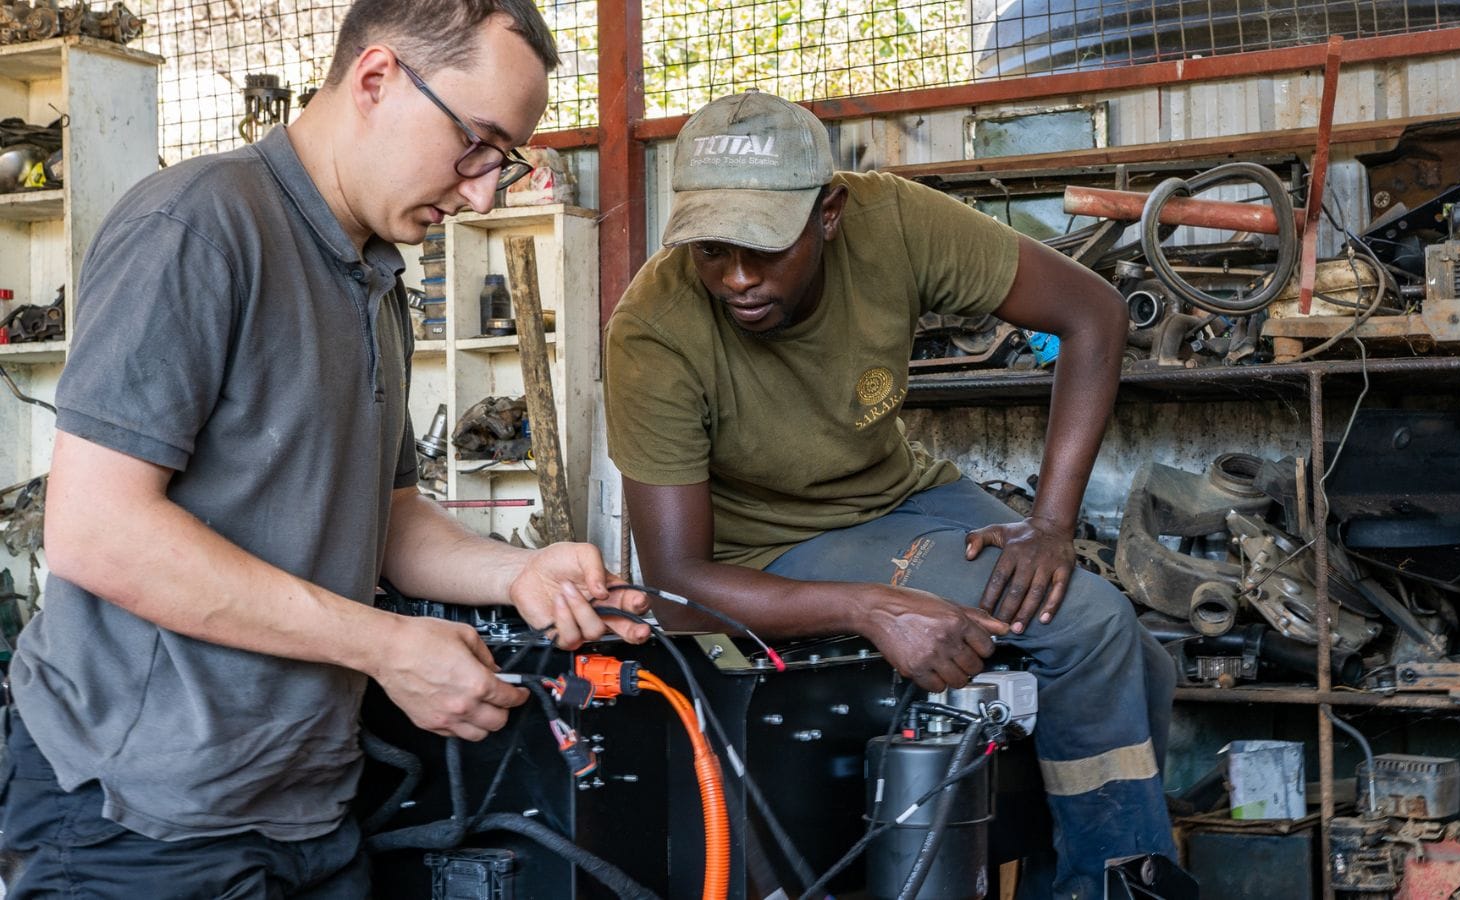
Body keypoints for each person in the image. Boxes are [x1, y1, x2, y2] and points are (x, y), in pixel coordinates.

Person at [0, 2, 648, 896]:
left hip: (306, 804)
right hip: (142, 814)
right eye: (475, 143)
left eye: (503, 162)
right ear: (377, 79)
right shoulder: (198, 226)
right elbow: (96, 529)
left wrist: (513, 576)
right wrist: (384, 645)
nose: (483, 193)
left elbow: (384, 517)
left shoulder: (377, 279)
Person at [604, 89, 1176, 900]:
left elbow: (1094, 313)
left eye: (764, 249)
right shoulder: (654, 332)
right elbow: (676, 586)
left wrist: (1051, 522)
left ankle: (1091, 881)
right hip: (765, 553)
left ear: (828, 214)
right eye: (710, 251)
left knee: (1138, 664)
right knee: (1087, 622)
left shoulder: (894, 223)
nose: (736, 278)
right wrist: (873, 608)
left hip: (901, 496)